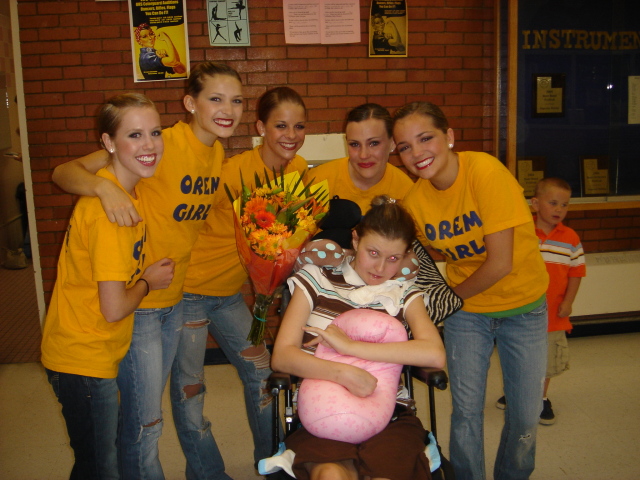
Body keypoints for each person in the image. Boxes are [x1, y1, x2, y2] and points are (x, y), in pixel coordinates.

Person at [51, 62, 243, 479]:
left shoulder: (216, 152)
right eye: (216, 98)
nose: (228, 109)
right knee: (144, 424)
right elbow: (65, 172)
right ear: (190, 103)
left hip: (175, 298)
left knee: (157, 409)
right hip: (139, 302)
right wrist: (105, 187)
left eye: (236, 100)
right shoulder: (162, 142)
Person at [393, 101, 549, 480]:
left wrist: (445, 301)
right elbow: (416, 260)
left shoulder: (484, 171)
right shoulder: (415, 202)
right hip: (468, 316)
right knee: (465, 412)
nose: (417, 153)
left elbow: (500, 263)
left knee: (525, 416)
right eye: (405, 147)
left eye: (425, 138)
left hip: (523, 308)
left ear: (449, 136)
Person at [175, 86, 308, 476]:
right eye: (280, 125)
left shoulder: (298, 170)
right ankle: (206, 473)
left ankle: (269, 462)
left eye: (299, 126)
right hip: (190, 293)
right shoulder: (230, 172)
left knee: (263, 375)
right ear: (261, 127)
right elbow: (183, 220)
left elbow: (283, 241)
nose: (290, 134)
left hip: (229, 295)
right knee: (190, 390)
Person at [41, 93, 175, 479]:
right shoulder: (109, 212)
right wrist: (148, 281)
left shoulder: (115, 186)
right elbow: (114, 307)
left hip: (91, 350)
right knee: (101, 467)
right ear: (108, 143)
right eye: (134, 135)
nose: (149, 145)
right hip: (82, 356)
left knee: (100, 458)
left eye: (155, 132)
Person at [271, 195, 446, 480]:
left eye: (393, 259)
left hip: (390, 413)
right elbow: (283, 355)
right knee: (330, 475)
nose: (380, 269)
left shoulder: (404, 294)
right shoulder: (315, 279)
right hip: (322, 413)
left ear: (405, 257)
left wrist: (350, 347)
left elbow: (434, 353)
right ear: (355, 239)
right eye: (373, 253)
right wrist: (343, 373)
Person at [496, 177, 585, 425]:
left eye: (564, 205)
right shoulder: (523, 232)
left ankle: (540, 399)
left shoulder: (570, 238)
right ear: (535, 203)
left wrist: (568, 302)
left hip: (553, 315)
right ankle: (516, 394)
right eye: (553, 203)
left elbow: (577, 273)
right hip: (522, 311)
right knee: (518, 356)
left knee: (545, 362)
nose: (559, 209)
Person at [310, 103, 413, 215]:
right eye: (354, 144)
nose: (363, 155)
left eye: (374, 143)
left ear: (393, 143)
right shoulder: (318, 182)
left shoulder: (406, 192)